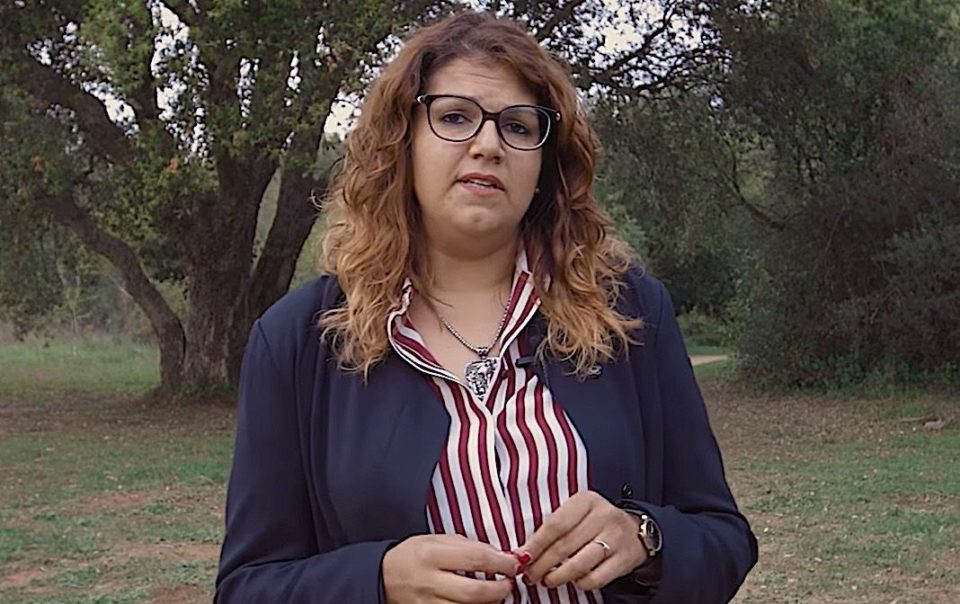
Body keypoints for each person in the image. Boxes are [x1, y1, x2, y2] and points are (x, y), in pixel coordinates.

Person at [215, 10, 757, 604]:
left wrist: (645, 538)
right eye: (454, 117)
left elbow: (723, 538)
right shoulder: (296, 341)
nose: (489, 145)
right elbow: (246, 587)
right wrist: (377, 581)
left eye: (519, 127)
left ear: (546, 163)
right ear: (403, 141)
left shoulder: (628, 311)